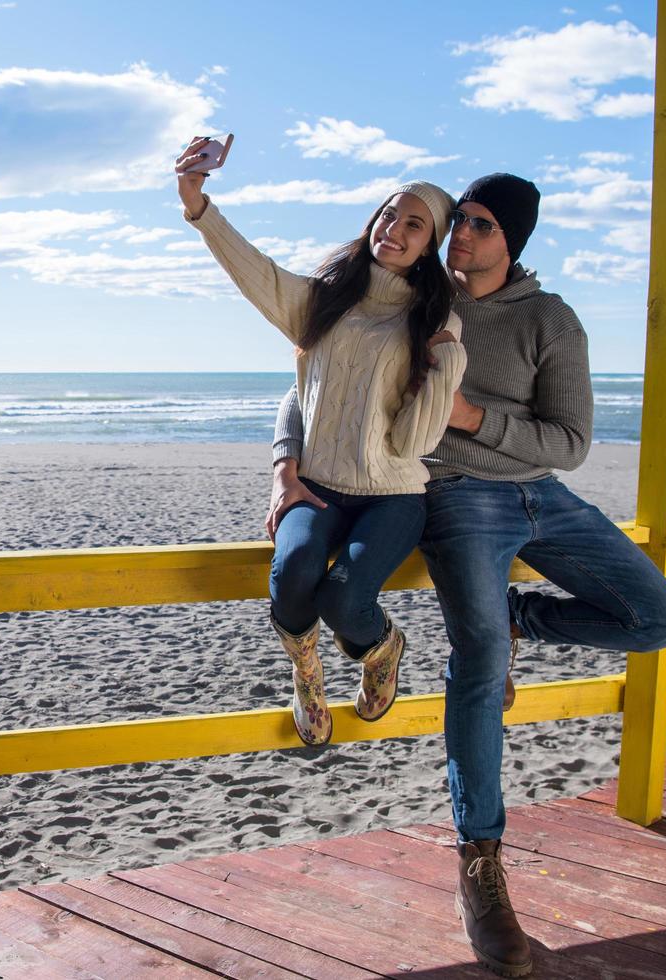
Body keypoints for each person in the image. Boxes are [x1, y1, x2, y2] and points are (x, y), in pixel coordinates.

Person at [269, 173, 666, 977]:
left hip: (544, 496)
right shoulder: (414, 296)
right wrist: (286, 466)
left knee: (660, 620)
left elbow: (565, 443)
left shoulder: (548, 320)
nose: (461, 234)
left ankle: (522, 619)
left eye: (482, 224)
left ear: (513, 241)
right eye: (457, 219)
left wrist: (468, 415)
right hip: (454, 498)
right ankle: (481, 864)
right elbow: (313, 383)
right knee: (476, 670)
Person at [175, 137, 467, 749]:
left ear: (430, 243)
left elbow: (414, 440)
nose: (396, 229)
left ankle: (382, 647)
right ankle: (306, 673)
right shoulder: (323, 301)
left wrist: (447, 366)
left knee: (344, 598)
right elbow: (258, 278)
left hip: (392, 496)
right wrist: (199, 203)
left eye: (415, 224)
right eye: (389, 214)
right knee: (293, 571)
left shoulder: (435, 322)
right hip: (318, 485)